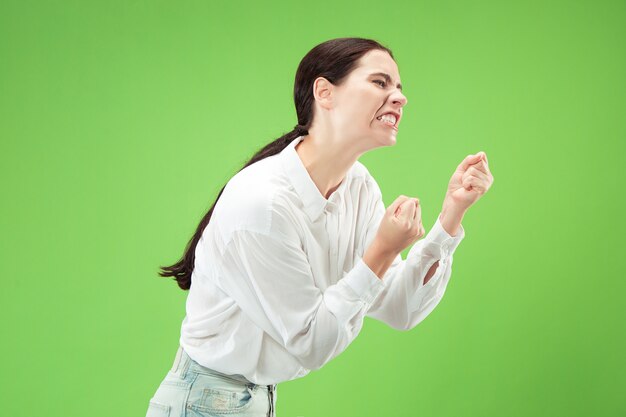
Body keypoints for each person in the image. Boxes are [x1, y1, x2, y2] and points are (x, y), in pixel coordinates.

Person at [146, 37, 494, 417]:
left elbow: (401, 308)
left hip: (254, 400)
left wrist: (451, 216)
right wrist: (382, 249)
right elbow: (311, 342)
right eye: (380, 83)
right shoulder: (262, 204)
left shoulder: (358, 186)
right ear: (325, 93)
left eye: (399, 87)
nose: (399, 97)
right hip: (204, 403)